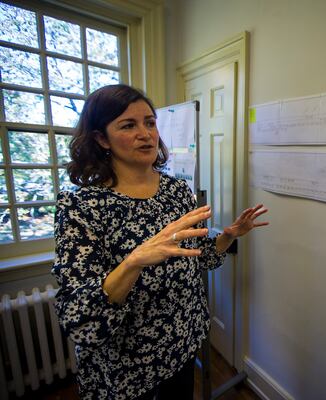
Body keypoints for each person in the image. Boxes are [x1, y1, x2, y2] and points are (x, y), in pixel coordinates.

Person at [52, 84, 268, 400]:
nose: (146, 134)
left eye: (150, 123)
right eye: (128, 125)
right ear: (101, 138)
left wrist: (227, 236)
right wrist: (133, 261)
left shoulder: (177, 191)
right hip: (127, 362)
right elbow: (80, 317)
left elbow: (201, 258)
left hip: (182, 342)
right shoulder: (81, 207)